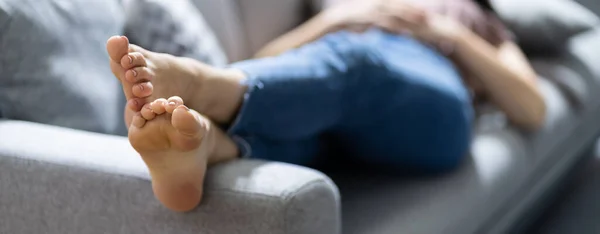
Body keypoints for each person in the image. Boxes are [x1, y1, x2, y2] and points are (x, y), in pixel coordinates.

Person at [105, 0, 545, 212]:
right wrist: (338, 20)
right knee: (308, 115)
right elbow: (271, 62)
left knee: (355, 62)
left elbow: (532, 106)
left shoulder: (472, 17)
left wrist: (446, 31)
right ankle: (206, 142)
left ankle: (199, 80)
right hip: (331, 106)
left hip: (431, 111)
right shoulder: (349, 8)